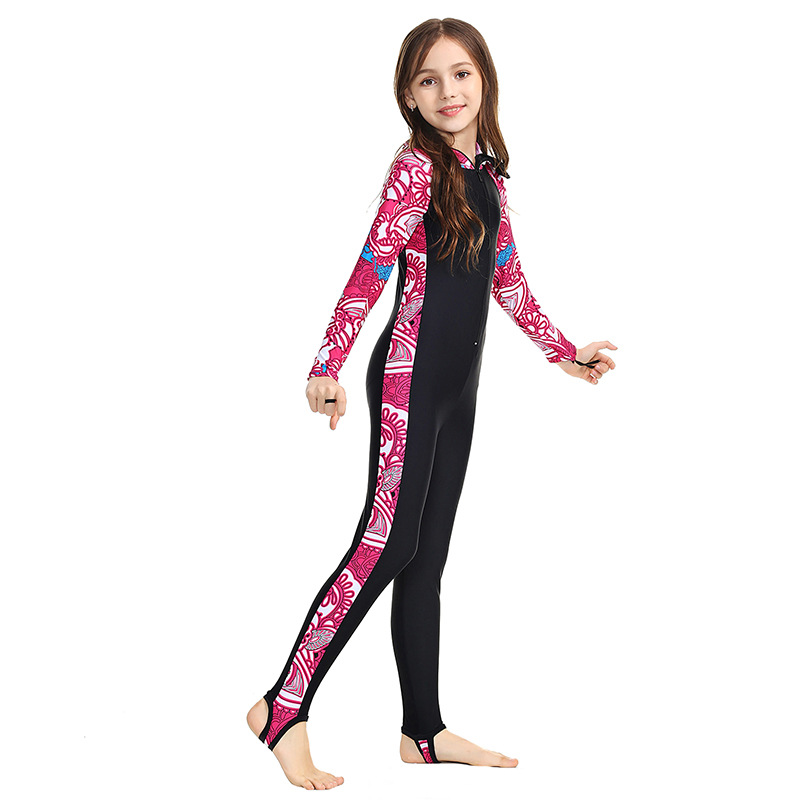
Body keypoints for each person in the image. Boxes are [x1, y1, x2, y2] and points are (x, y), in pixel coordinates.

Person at [247, 17, 617, 790]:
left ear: (484, 79)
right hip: (409, 383)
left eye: (460, 74)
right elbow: (370, 268)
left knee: (426, 557)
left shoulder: (487, 173)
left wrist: (564, 352)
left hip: (459, 391)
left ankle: (423, 732)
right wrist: (326, 365)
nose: (448, 91)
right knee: (384, 545)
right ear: (409, 95)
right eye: (428, 79)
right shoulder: (415, 169)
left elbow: (507, 281)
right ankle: (282, 707)